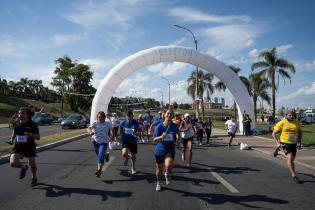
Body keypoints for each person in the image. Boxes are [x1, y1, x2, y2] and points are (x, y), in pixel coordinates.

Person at [9, 107, 40, 187]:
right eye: (19, 113)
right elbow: (15, 131)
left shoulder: (32, 124)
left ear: (27, 115)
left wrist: (31, 135)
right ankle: (24, 167)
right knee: (13, 163)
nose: (20, 115)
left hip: (29, 147)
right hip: (18, 146)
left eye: (22, 113)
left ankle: (34, 178)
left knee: (32, 165)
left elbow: (38, 137)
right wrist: (12, 139)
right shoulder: (16, 123)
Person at [153, 109, 180, 191]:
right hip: (160, 149)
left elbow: (177, 134)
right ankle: (158, 183)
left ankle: (167, 173)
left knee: (169, 165)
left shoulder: (174, 126)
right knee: (159, 169)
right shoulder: (159, 126)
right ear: (164, 115)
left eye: (171, 114)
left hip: (170, 148)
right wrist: (161, 137)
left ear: (172, 116)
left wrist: (178, 140)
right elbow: (154, 139)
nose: (169, 115)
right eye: (168, 113)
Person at [272, 110, 303, 184]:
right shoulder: (282, 122)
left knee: (292, 159)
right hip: (285, 142)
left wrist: (299, 142)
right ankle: (294, 175)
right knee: (289, 158)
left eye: (292, 115)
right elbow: (273, 133)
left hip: (294, 143)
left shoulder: (297, 122)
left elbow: (300, 132)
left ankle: (278, 152)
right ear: (286, 115)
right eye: (289, 115)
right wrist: (277, 143)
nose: (291, 117)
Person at [87, 111, 113, 177]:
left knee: (100, 156)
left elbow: (111, 130)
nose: (100, 119)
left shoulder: (107, 123)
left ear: (104, 117)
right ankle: (106, 156)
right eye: (99, 117)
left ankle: (99, 171)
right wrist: (90, 132)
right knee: (99, 155)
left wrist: (112, 134)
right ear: (97, 117)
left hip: (104, 142)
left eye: (101, 117)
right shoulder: (95, 123)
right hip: (95, 142)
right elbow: (88, 128)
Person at [120, 110, 140, 175]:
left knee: (133, 156)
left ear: (132, 116)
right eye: (128, 116)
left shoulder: (136, 123)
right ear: (126, 117)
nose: (129, 118)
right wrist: (121, 137)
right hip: (125, 141)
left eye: (130, 116)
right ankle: (127, 157)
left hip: (133, 141)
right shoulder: (123, 123)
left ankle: (133, 168)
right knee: (124, 153)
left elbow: (139, 132)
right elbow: (121, 129)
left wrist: (135, 133)